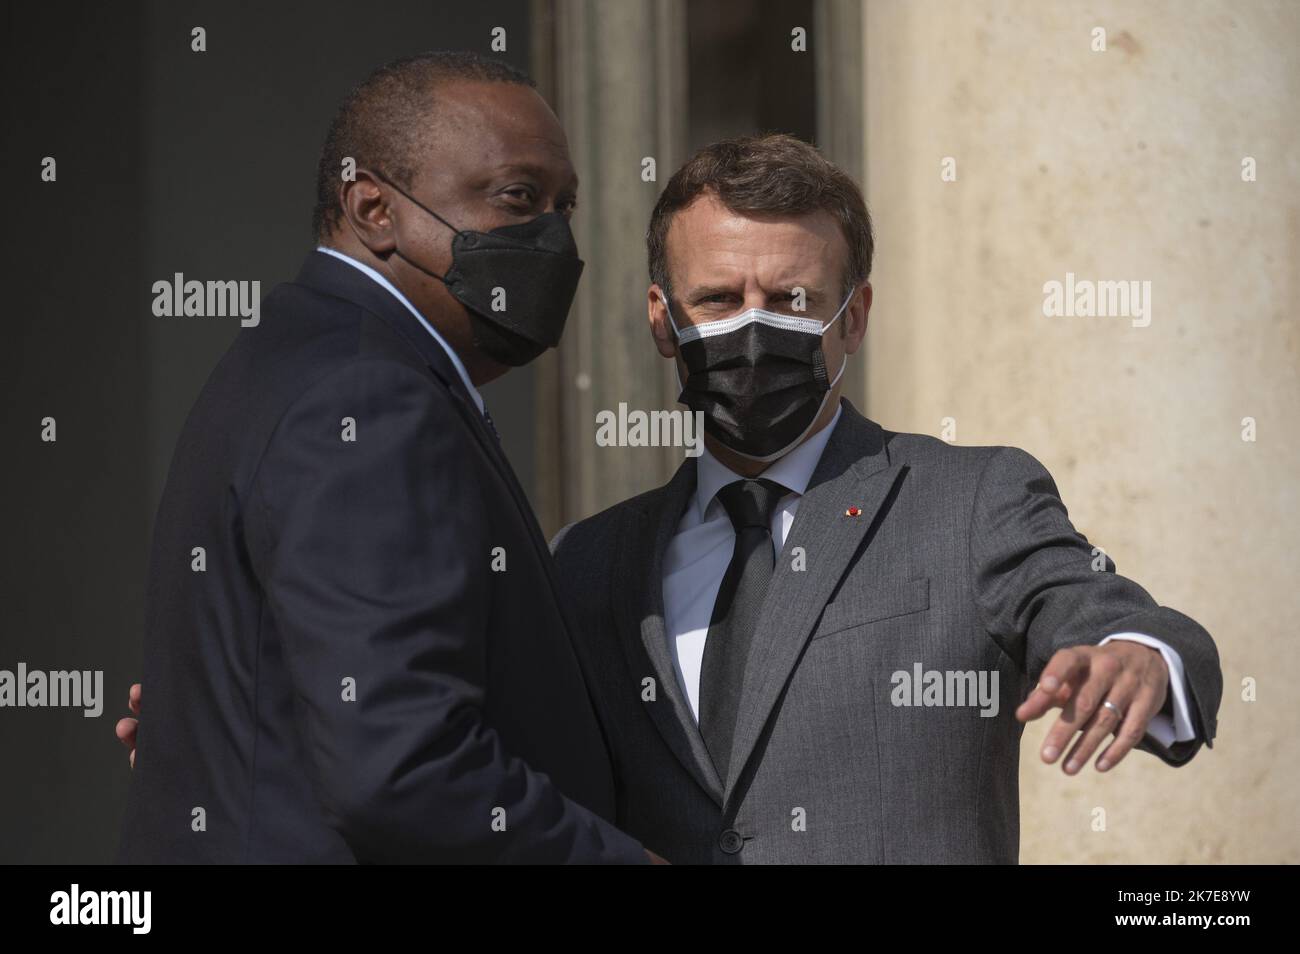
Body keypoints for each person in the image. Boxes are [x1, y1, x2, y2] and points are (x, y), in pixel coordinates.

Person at [547, 134, 1223, 863]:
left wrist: (1139, 654)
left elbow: (1094, 609)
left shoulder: (969, 501)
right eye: (716, 299)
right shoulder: (589, 561)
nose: (752, 329)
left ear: (856, 318)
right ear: (662, 320)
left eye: (791, 300)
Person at [116, 51, 655, 863]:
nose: (553, 236)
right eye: (516, 197)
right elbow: (400, 768)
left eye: (562, 205)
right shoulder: (368, 396)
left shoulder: (292, 355)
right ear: (373, 207)